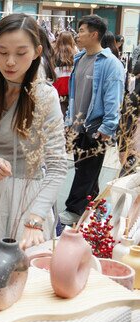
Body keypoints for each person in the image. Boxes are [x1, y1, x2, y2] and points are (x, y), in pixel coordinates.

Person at [0, 13, 67, 268]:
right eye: (2, 52)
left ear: (37, 52)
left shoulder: (45, 96)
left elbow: (57, 166)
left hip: (31, 197)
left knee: (24, 273)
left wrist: (35, 219)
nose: (10, 62)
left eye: (21, 53)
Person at [59, 15, 125, 226]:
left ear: (94, 34)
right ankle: (94, 207)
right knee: (86, 169)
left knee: (87, 169)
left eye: (82, 30)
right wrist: (69, 121)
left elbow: (113, 98)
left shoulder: (110, 64)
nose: (78, 35)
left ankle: (74, 210)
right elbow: (73, 94)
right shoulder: (79, 59)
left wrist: (108, 126)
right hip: (77, 125)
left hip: (96, 127)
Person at [53, 31, 78, 116]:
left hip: (58, 87)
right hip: (71, 87)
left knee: (59, 110)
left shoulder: (54, 53)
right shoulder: (76, 53)